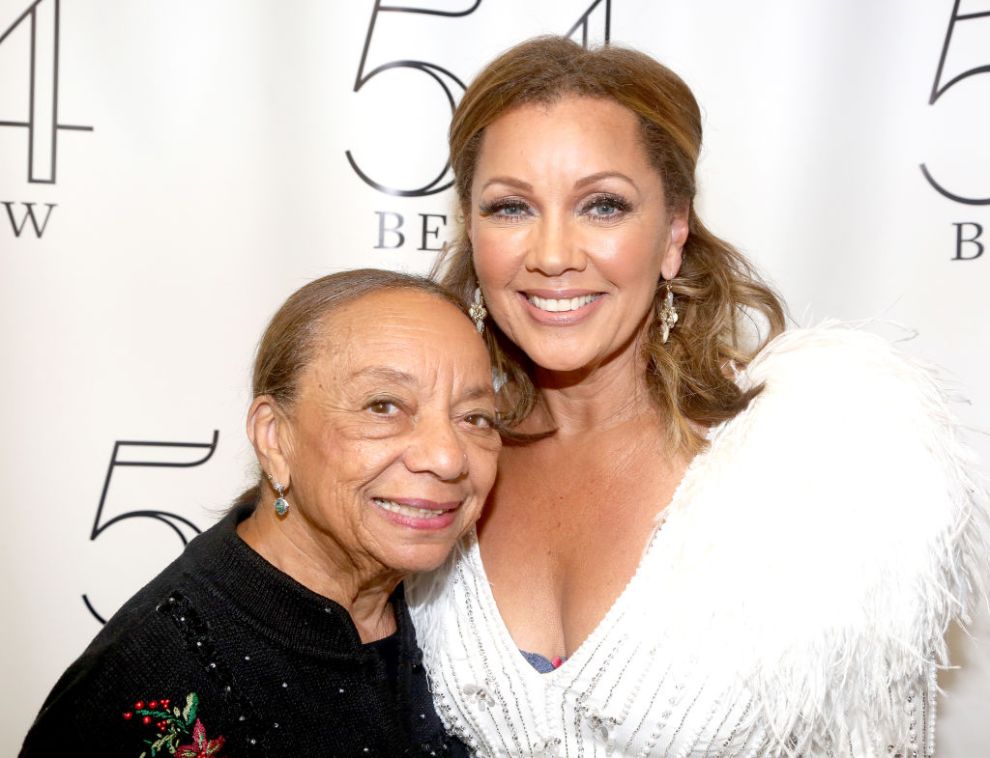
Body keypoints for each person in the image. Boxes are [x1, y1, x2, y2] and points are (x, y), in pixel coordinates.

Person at [406, 36, 988, 757]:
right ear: (470, 226)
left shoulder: (813, 464)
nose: (552, 254)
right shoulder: (425, 467)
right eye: (511, 208)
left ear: (674, 232)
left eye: (604, 205)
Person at [21, 269, 499, 756]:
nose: (447, 457)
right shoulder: (151, 680)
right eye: (384, 406)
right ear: (275, 438)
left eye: (476, 418)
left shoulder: (452, 619)